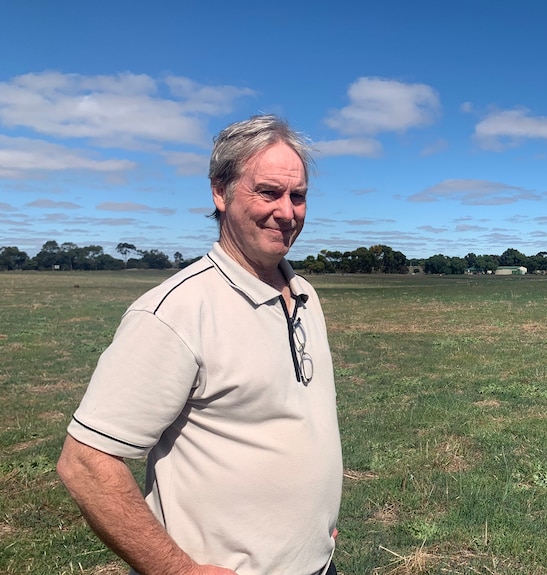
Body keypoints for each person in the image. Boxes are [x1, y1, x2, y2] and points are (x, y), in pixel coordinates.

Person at [57, 115, 342, 575]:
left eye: (299, 195)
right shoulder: (174, 312)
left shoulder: (305, 296)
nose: (287, 212)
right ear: (220, 192)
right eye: (268, 192)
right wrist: (179, 571)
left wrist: (313, 529)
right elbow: (86, 463)